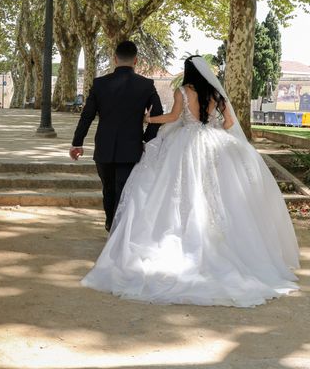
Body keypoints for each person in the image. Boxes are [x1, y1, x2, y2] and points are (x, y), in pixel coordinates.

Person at [81, 55, 300, 307]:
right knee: (214, 192)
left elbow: (174, 117)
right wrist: (212, 130)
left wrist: (148, 119)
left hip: (184, 145)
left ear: (187, 72)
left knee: (179, 189)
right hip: (213, 143)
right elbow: (229, 122)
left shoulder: (182, 91)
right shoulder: (216, 94)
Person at [70, 40, 163, 232]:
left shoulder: (99, 84)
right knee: (125, 189)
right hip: (132, 146)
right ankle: (121, 230)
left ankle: (110, 223)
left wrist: (77, 143)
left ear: (114, 59)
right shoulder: (146, 85)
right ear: (136, 60)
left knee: (108, 189)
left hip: (104, 146)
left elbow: (86, 116)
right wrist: (146, 138)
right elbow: (158, 115)